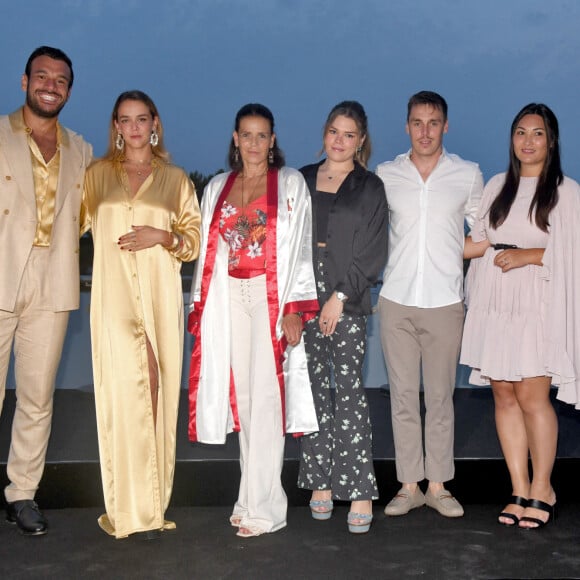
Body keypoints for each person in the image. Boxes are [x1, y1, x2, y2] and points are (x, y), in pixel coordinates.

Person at [188, 103, 319, 538]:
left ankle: (268, 508)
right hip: (230, 299)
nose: (254, 143)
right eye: (247, 134)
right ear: (235, 138)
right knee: (243, 402)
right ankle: (248, 499)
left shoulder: (290, 183)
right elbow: (210, 252)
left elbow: (301, 248)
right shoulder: (219, 187)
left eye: (263, 135)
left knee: (266, 401)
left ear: (273, 140)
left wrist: (294, 307)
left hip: (270, 298)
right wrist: (201, 307)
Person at [81, 90, 201, 539]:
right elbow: (62, 225)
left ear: (155, 123)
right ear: (115, 125)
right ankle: (124, 506)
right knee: (119, 395)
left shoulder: (175, 180)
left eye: (142, 119)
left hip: (157, 295)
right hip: (112, 299)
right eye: (125, 120)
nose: (134, 127)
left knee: (154, 386)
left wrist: (162, 236)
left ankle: (151, 503)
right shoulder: (94, 177)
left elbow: (193, 242)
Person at [461, 103, 580, 529]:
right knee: (504, 396)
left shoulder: (566, 191)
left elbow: (575, 254)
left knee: (533, 397)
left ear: (552, 141)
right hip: (497, 303)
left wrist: (528, 255)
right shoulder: (497, 185)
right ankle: (518, 487)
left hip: (539, 304)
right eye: (520, 133)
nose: (528, 142)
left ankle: (543, 487)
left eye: (538, 134)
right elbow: (477, 241)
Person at [377, 91, 483, 518]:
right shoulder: (386, 174)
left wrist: (449, 250)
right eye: (417, 123)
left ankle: (438, 485)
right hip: (395, 301)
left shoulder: (468, 174)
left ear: (445, 126)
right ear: (406, 126)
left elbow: (487, 231)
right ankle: (408, 485)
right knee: (402, 396)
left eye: (433, 122)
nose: (425, 131)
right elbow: (368, 232)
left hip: (444, 303)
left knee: (440, 397)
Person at [0, 46, 92, 536]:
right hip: (0, 272)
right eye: (42, 76)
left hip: (53, 281)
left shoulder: (81, 149)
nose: (50, 86)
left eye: (60, 80)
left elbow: (97, 212)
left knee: (36, 398)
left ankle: (22, 494)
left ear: (69, 91)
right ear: (24, 82)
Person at [297, 101, 388, 534]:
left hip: (346, 296)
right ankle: (319, 482)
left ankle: (359, 489)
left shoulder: (370, 187)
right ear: (324, 132)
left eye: (349, 134)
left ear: (361, 141)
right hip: (302, 293)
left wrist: (337, 296)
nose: (339, 140)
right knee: (312, 390)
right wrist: (297, 303)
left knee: (349, 391)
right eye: (334, 131)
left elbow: (373, 251)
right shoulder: (300, 179)